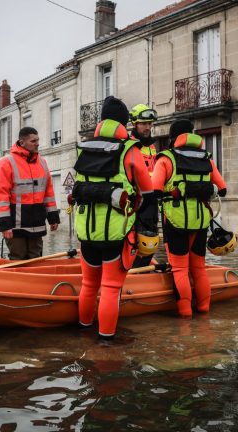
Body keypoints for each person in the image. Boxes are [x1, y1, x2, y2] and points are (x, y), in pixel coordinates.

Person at [73, 96, 158, 339]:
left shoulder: (85, 148)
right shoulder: (130, 151)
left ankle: (83, 329)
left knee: (89, 285)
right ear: (125, 123)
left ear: (101, 121)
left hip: (86, 231)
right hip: (116, 231)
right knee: (110, 287)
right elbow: (148, 193)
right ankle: (106, 340)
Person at [152, 119, 227, 318]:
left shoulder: (166, 159)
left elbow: (154, 189)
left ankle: (185, 314)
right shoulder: (207, 158)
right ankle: (204, 310)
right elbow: (222, 187)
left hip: (175, 221)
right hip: (201, 220)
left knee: (179, 269)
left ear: (172, 138)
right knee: (199, 268)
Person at [0, 126, 60, 260]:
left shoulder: (42, 162)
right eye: (33, 141)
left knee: (36, 259)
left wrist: (53, 218)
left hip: (37, 223)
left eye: (38, 140)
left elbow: (48, 193)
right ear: (22, 142)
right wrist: (5, 226)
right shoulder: (6, 163)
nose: (37, 144)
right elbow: (1, 196)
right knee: (18, 259)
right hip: (16, 225)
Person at [129, 103, 159, 268]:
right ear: (135, 124)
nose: (148, 127)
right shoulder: (130, 145)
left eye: (150, 124)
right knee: (136, 243)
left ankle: (143, 272)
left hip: (151, 203)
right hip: (136, 203)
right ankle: (134, 273)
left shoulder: (152, 147)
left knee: (150, 242)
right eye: (144, 124)